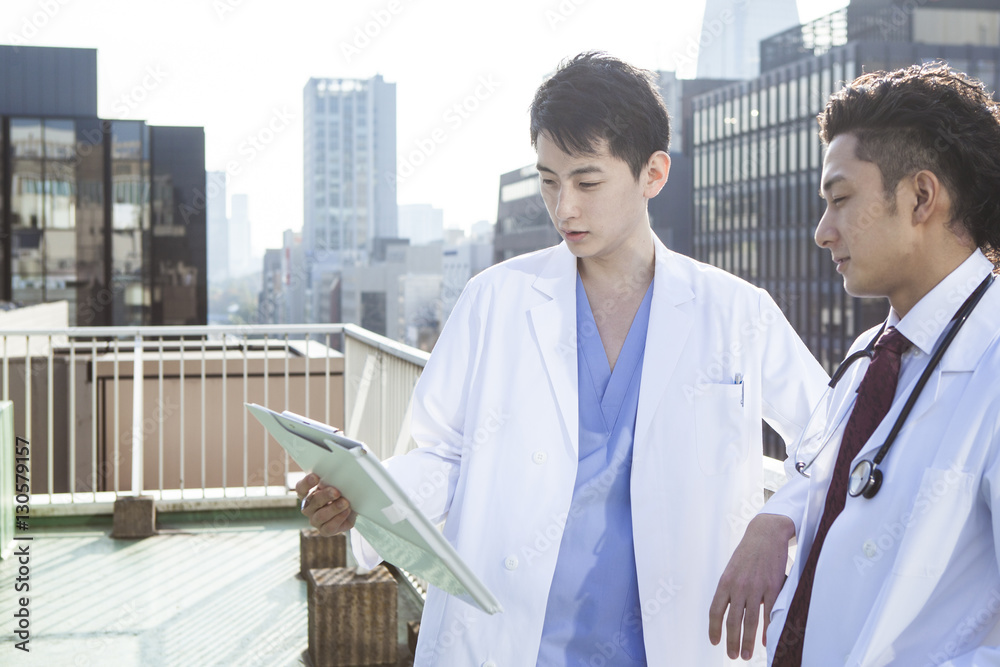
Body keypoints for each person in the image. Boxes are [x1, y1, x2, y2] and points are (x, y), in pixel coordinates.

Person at [298, 51, 827, 666]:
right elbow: (442, 454)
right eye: (549, 181)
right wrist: (368, 499)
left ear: (653, 173)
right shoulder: (495, 299)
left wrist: (775, 523)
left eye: (587, 181)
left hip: (675, 641)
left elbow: (833, 438)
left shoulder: (736, 311)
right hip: (510, 637)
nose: (563, 207)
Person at [711, 62, 1000, 666]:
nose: (822, 232)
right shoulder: (870, 355)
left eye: (840, 201)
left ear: (921, 197)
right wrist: (775, 519)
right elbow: (820, 474)